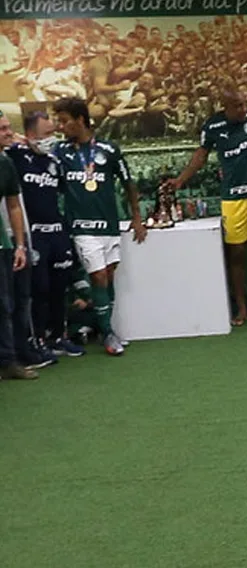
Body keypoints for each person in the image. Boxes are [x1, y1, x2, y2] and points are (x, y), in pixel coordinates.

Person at [171, 89, 247, 324]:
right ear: (226, 107)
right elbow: (201, 155)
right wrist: (181, 180)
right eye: (237, 106)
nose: (243, 110)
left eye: (245, 104)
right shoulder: (212, 126)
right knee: (237, 254)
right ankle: (241, 309)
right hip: (232, 199)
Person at [52, 96, 147, 356]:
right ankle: (107, 333)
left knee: (109, 277)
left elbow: (129, 184)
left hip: (109, 226)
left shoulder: (109, 149)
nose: (61, 126)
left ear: (81, 120)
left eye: (64, 121)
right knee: (98, 276)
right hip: (82, 228)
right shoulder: (60, 152)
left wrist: (137, 218)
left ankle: (103, 326)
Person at [10, 110, 83, 358]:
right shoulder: (16, 156)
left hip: (57, 232)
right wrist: (15, 140)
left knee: (59, 287)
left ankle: (58, 337)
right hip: (34, 234)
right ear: (30, 135)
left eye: (53, 133)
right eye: (46, 134)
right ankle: (37, 339)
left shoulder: (55, 161)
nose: (52, 138)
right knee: (38, 289)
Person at [0, 121, 35, 379]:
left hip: (3, 244)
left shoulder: (5, 164)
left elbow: (14, 206)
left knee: (4, 305)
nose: (10, 133)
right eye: (2, 129)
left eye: (8, 127)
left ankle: (8, 361)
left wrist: (20, 246)